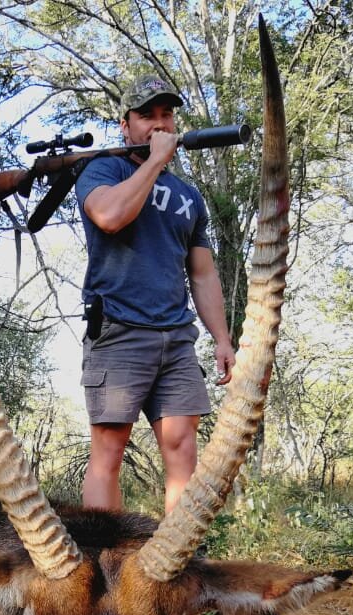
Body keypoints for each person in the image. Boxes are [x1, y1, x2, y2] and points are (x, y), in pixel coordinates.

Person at [75, 74, 235, 514]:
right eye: (147, 116)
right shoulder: (104, 170)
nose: (159, 125)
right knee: (109, 451)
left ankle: (176, 565)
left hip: (177, 339)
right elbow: (109, 216)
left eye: (166, 115)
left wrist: (221, 338)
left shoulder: (188, 196)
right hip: (118, 331)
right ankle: (101, 567)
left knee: (183, 449)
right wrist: (154, 162)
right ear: (125, 124)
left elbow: (202, 274)